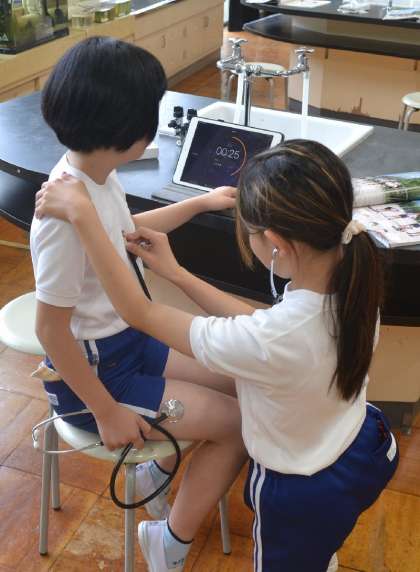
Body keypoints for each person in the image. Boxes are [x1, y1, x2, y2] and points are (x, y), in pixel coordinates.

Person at [35, 139, 399, 572]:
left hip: (302, 486)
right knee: (321, 541)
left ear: (276, 244)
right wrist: (177, 274)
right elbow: (261, 328)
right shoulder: (351, 282)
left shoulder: (273, 339)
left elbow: (141, 312)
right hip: (363, 444)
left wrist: (82, 215)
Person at [30, 35, 248, 571]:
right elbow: (50, 331)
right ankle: (168, 543)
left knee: (241, 377)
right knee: (238, 426)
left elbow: (122, 232)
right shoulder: (63, 215)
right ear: (132, 132)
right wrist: (105, 412)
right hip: (96, 379)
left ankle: (156, 473)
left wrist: (199, 203)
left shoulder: (93, 178)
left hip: (129, 346)